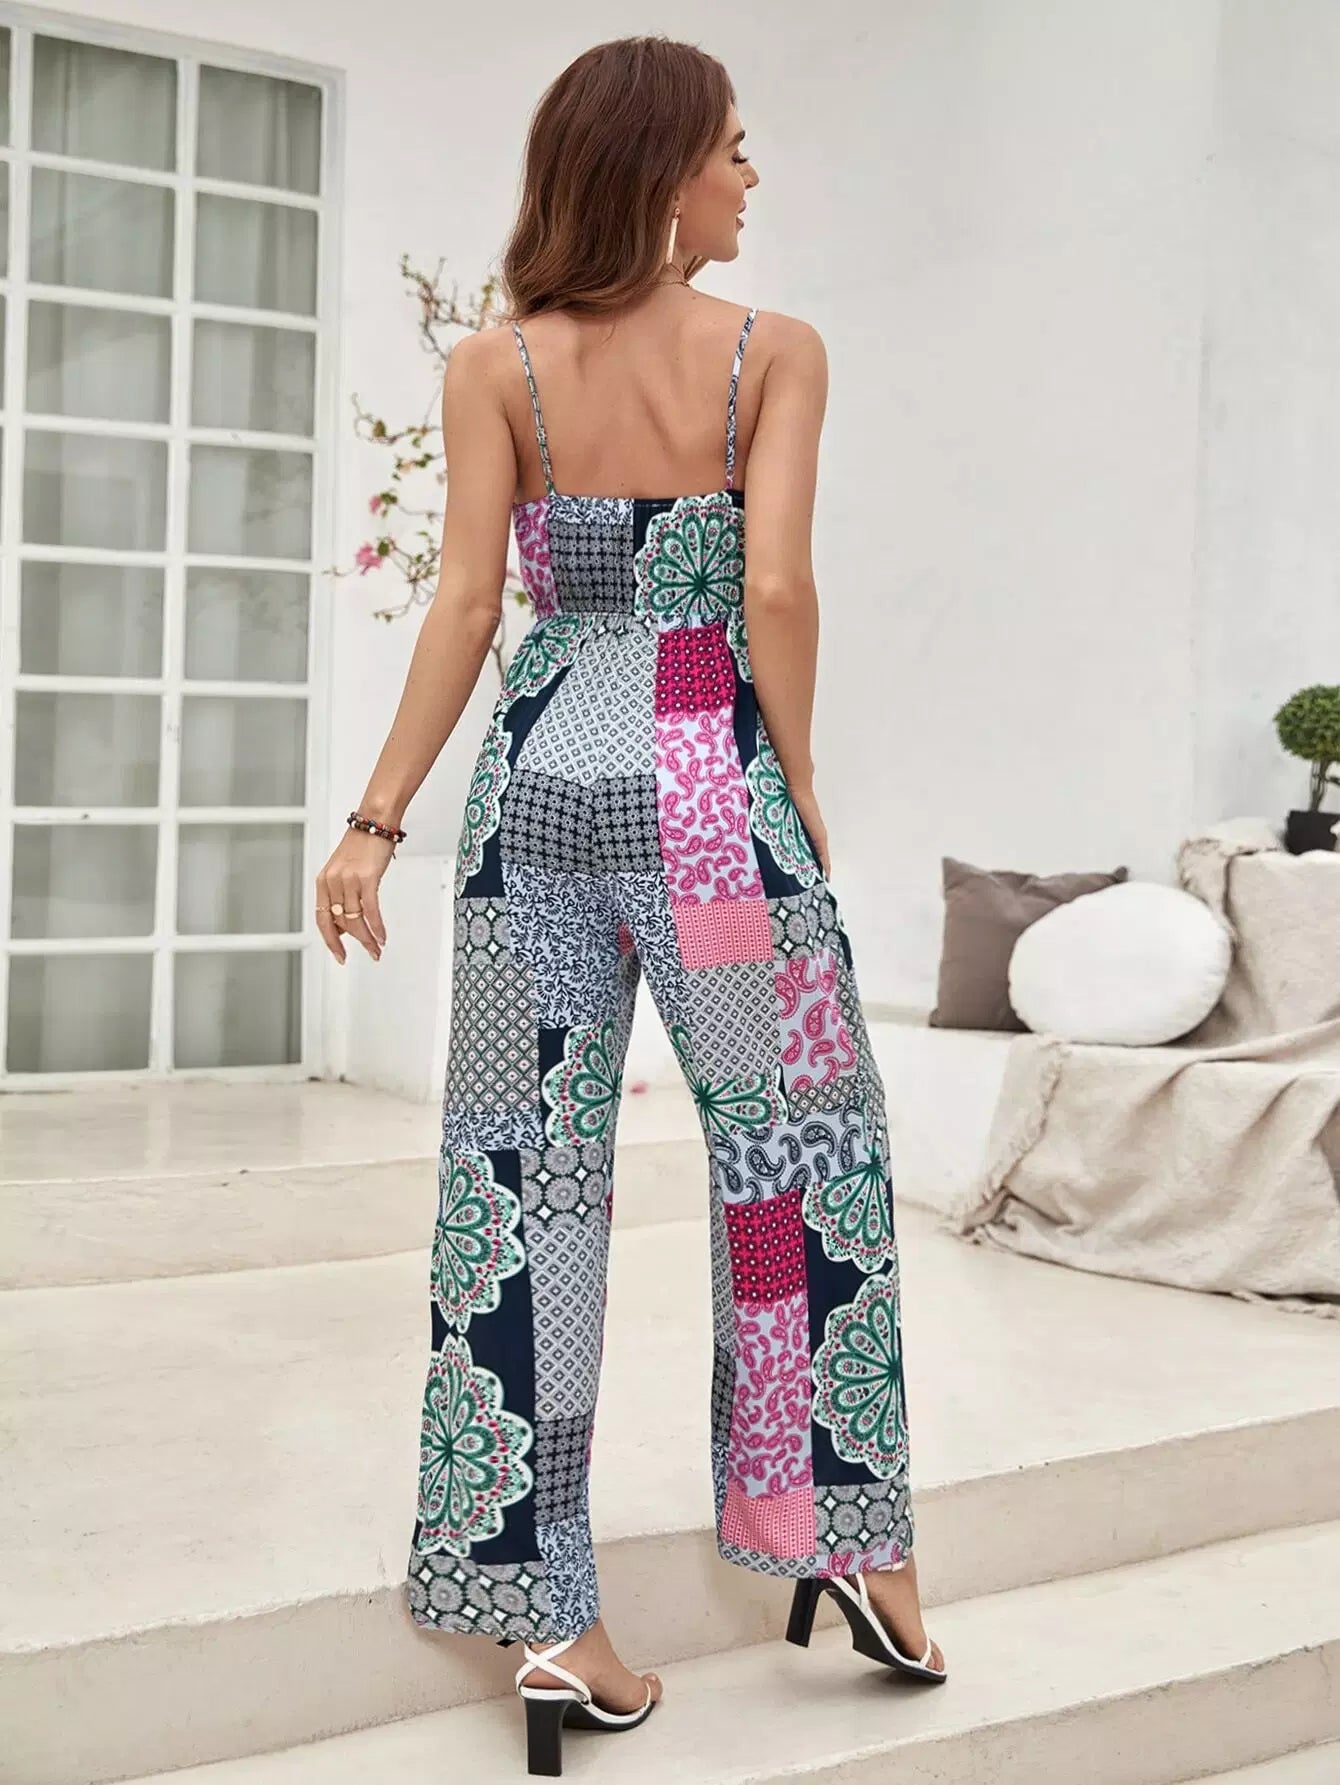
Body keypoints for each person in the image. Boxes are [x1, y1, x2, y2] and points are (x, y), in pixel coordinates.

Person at [316, 33, 945, 1779]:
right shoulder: (772, 351)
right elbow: (777, 589)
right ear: (664, 171)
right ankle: (845, 1533)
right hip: (704, 797)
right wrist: (788, 779)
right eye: (732, 150)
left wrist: (375, 818)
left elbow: (466, 606)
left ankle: (542, 1611)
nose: (750, 178)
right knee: (796, 1146)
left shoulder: (495, 363)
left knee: (522, 1180)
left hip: (531, 793)